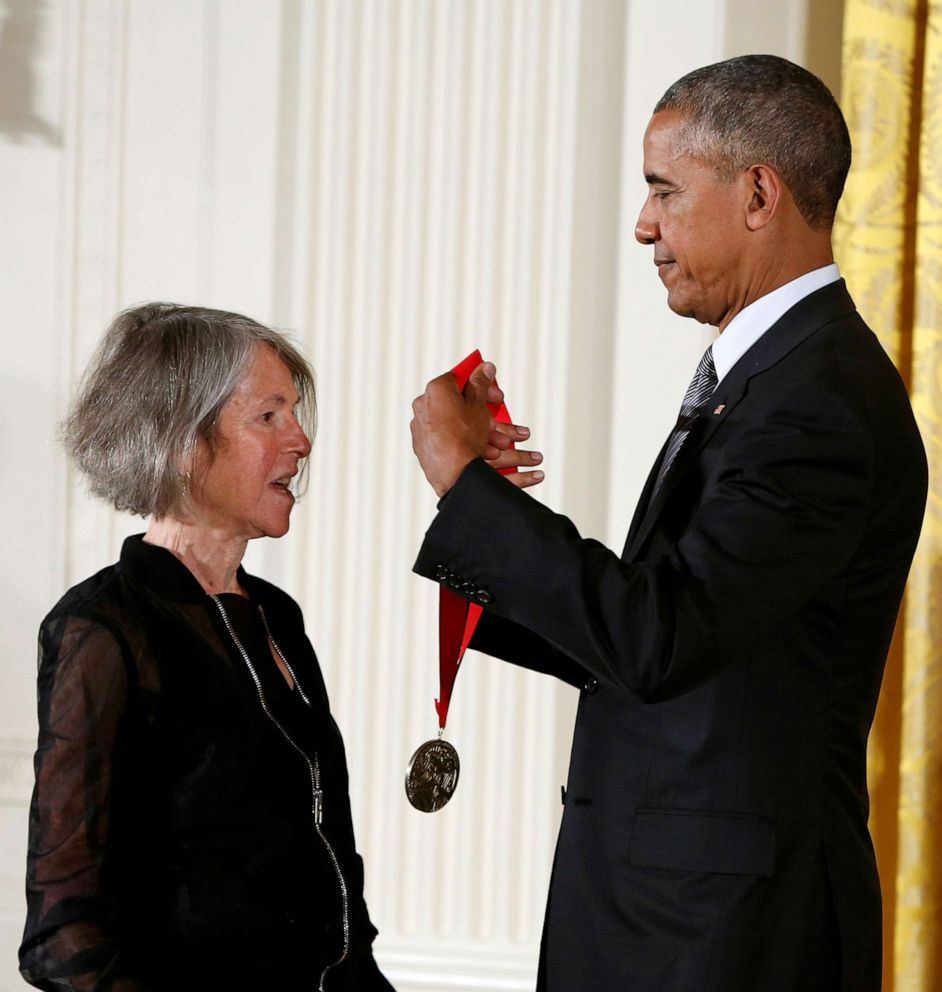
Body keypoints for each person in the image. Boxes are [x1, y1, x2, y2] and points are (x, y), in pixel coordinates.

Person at [409, 55, 928, 992]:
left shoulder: (815, 400)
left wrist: (464, 490)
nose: (644, 224)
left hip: (722, 939)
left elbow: (659, 635)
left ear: (759, 193)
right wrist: (492, 518)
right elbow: (668, 635)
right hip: (681, 925)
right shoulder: (775, 380)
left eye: (663, 190)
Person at [20, 304, 394, 992]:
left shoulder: (276, 617)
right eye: (269, 416)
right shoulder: (103, 628)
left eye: (296, 413)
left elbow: (326, 869)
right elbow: (62, 932)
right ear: (182, 439)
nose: (302, 441)